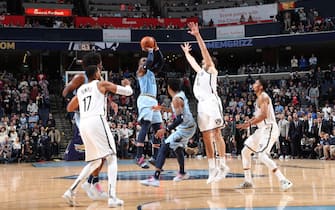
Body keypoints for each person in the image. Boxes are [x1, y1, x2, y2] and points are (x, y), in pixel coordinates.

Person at [63, 65, 133, 207]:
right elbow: (127, 93)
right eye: (99, 71)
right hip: (97, 120)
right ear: (96, 74)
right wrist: (128, 85)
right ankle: (112, 197)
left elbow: (70, 108)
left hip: (84, 123)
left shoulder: (81, 90)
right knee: (112, 157)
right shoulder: (101, 84)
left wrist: (84, 107)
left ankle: (71, 191)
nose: (100, 73)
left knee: (95, 162)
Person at [62, 52, 117, 200]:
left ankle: (91, 183)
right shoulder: (81, 77)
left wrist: (111, 103)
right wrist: (81, 107)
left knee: (101, 156)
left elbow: (102, 95)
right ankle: (91, 184)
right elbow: (65, 92)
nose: (102, 66)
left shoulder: (98, 79)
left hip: (95, 119)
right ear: (96, 64)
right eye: (100, 63)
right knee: (103, 154)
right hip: (85, 119)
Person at [181, 22, 229, 184]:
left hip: (212, 102)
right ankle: (212, 168)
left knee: (216, 133)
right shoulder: (200, 72)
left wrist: (197, 36)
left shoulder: (211, 70)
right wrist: (187, 53)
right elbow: (192, 62)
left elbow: (204, 52)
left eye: (205, 60)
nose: (203, 61)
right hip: (202, 105)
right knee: (206, 136)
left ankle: (222, 165)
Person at [236, 79, 293, 191]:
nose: (253, 85)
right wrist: (247, 124)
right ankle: (248, 181)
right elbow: (257, 116)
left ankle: (284, 180)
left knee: (261, 155)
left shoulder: (263, 97)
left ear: (261, 87)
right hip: (261, 130)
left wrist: (249, 124)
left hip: (269, 128)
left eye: (256, 83)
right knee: (245, 152)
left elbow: (263, 116)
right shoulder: (258, 99)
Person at [140, 78, 196, 187]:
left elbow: (179, 119)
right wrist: (161, 108)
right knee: (177, 148)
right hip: (188, 127)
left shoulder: (176, 99)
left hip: (185, 129)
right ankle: (182, 172)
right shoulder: (180, 95)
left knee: (164, 146)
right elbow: (175, 110)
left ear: (169, 88)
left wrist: (165, 129)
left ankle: (155, 178)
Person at [135, 40, 164, 169]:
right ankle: (139, 157)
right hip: (145, 99)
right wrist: (151, 51)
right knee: (146, 126)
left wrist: (157, 49)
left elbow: (161, 62)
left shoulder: (151, 72)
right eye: (142, 60)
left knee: (159, 129)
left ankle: (155, 157)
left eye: (145, 60)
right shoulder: (141, 72)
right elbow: (150, 61)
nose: (145, 61)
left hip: (153, 100)